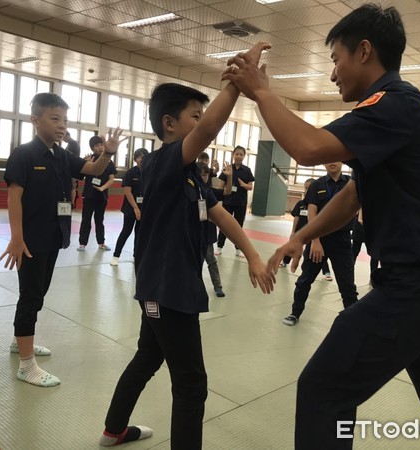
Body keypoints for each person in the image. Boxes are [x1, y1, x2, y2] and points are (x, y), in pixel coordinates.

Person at [223, 4, 420, 449]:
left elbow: (308, 147)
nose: (333, 74)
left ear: (364, 51)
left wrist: (262, 92)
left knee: (323, 390)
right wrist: (301, 237)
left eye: (336, 59)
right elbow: (352, 197)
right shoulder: (395, 114)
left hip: (417, 289)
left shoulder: (395, 103)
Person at [100, 43, 274, 449]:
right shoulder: (162, 165)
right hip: (167, 290)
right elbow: (211, 129)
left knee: (148, 355)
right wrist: (238, 80)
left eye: (201, 115)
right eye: (194, 116)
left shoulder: (191, 176)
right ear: (169, 125)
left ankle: (114, 430)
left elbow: (222, 215)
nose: (202, 124)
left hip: (168, 288)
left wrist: (251, 255)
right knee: (192, 384)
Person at [0, 93, 124, 388]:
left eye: (65, 120)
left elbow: (92, 169)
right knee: (30, 295)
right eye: (55, 119)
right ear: (35, 120)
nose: (61, 126)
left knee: (39, 292)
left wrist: (108, 153)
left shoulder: (60, 155)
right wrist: (16, 238)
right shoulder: (24, 154)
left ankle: (21, 343)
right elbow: (14, 196)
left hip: (54, 235)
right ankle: (27, 366)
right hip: (31, 239)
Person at [282, 163, 358, 326]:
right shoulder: (317, 185)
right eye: (328, 158)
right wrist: (315, 240)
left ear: (342, 161)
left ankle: (354, 322)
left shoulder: (350, 184)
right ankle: (295, 313)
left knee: (347, 286)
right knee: (304, 281)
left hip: (342, 241)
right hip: (319, 239)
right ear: (324, 163)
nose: (332, 161)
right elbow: (312, 212)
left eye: (336, 158)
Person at [77, 135, 117, 251]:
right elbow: (80, 176)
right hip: (89, 195)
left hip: (102, 195)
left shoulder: (109, 161)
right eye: (97, 145)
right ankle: (82, 243)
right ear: (92, 148)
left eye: (101, 145)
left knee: (99, 220)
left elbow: (111, 179)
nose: (100, 147)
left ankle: (101, 243)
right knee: (86, 219)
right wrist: (85, 163)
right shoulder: (89, 159)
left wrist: (103, 188)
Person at [110, 148, 148, 266]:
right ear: (135, 159)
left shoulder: (150, 172)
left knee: (140, 233)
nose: (142, 159)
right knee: (126, 231)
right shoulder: (130, 173)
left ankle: (136, 256)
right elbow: (128, 192)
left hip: (144, 208)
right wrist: (136, 208)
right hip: (130, 208)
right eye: (139, 157)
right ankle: (116, 256)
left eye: (144, 156)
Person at [215, 145, 255, 257]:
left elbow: (250, 186)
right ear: (233, 155)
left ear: (244, 156)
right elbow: (220, 185)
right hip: (228, 201)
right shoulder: (228, 168)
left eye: (241, 154)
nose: (238, 156)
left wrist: (244, 185)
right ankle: (219, 246)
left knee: (238, 226)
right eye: (236, 154)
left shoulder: (247, 170)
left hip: (241, 203)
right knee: (224, 225)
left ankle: (238, 249)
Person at [197, 162, 226, 297]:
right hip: (194, 232)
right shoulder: (190, 190)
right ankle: (194, 285)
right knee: (194, 261)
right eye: (201, 174)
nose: (203, 177)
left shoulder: (210, 191)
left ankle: (218, 286)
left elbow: (227, 192)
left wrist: (228, 178)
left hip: (207, 232)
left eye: (206, 174)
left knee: (211, 259)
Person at [280, 178, 313, 269]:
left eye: (309, 188)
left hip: (312, 232)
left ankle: (325, 271)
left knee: (314, 250)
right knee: (293, 246)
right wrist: (293, 231)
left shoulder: (317, 205)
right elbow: (296, 218)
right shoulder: (301, 203)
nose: (307, 190)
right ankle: (285, 262)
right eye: (305, 188)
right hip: (299, 231)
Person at [351, 209, 379, 273]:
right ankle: (349, 275)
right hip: (360, 225)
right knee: (354, 251)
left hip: (373, 226)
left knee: (375, 254)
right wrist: (360, 217)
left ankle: (373, 277)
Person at [62, 131, 81, 208]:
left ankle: (72, 202)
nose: (63, 140)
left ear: (67, 135)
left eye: (63, 138)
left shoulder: (74, 144)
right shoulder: (70, 144)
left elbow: (72, 157)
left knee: (72, 186)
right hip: (68, 168)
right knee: (69, 186)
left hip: (73, 168)